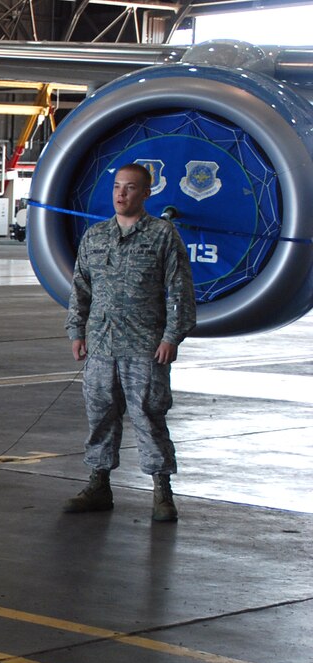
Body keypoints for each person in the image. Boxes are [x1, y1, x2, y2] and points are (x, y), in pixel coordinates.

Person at [63, 162, 197, 522]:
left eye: (131, 188)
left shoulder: (162, 235)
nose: (122, 194)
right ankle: (99, 484)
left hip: (145, 346)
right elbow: (80, 288)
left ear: (146, 193)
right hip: (101, 346)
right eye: (118, 187)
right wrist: (77, 331)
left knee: (149, 416)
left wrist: (172, 336)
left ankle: (162, 492)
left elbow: (179, 289)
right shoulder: (95, 236)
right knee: (100, 416)